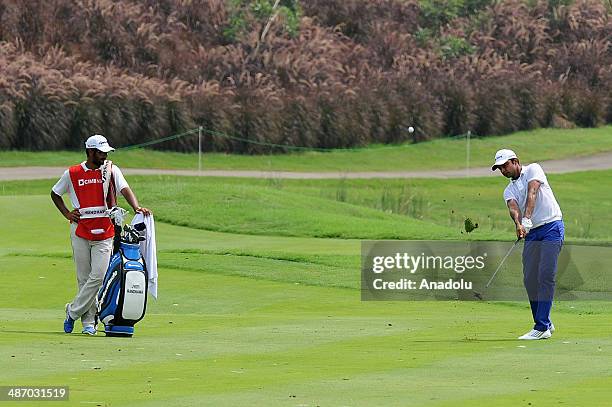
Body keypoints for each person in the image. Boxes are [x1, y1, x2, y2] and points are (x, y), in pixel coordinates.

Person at [51, 134, 151, 335]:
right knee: (83, 278)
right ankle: (89, 323)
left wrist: (136, 207)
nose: (104, 155)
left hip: (105, 230)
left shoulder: (111, 170)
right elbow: (55, 193)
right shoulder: (72, 172)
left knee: (97, 276)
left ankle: (72, 312)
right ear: (89, 151)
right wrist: (67, 214)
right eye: (100, 152)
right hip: (80, 230)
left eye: (106, 152)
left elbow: (124, 189)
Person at [491, 149, 564, 340]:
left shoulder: (533, 169)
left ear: (515, 161)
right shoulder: (508, 190)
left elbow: (533, 191)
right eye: (500, 168)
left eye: (505, 165)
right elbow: (513, 208)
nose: (503, 171)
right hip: (532, 234)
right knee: (530, 278)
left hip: (551, 227)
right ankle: (545, 322)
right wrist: (518, 224)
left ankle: (541, 327)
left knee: (546, 275)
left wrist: (528, 218)